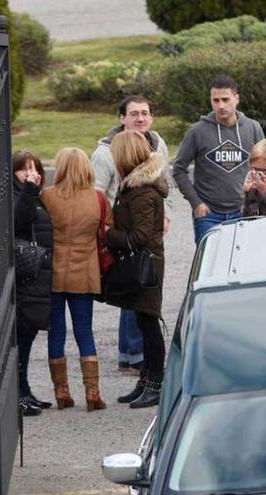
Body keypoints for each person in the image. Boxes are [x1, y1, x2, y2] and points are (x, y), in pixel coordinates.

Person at [91, 95, 172, 374]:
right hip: (124, 229)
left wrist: (107, 234)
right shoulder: (105, 153)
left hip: (133, 240)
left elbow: (141, 232)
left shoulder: (143, 184)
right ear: (121, 118)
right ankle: (133, 358)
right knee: (132, 300)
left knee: (142, 308)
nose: (140, 118)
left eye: (145, 113)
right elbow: (98, 194)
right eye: (134, 113)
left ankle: (149, 375)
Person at [40, 148, 110, 411]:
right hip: (85, 270)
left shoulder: (47, 196)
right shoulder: (98, 198)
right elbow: (105, 230)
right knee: (84, 331)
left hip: (55, 271)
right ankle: (92, 392)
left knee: (56, 331)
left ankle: (62, 392)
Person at [105, 130, 168, 409]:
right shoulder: (132, 186)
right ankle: (146, 380)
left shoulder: (142, 191)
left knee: (149, 322)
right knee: (144, 323)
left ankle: (156, 383)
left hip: (147, 265)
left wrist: (108, 234)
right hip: (142, 263)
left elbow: (140, 236)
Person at [172, 74, 265, 244]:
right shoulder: (197, 131)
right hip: (208, 215)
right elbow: (178, 169)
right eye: (216, 100)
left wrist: (255, 201)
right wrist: (196, 203)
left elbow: (264, 166)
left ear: (236, 99)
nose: (221, 105)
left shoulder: (253, 128)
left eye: (225, 99)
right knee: (210, 266)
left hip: (243, 211)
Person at [12, 150, 53, 416]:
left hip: (37, 276)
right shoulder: (18, 195)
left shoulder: (34, 194)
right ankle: (17, 394)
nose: (30, 173)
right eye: (24, 168)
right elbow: (18, 221)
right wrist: (29, 189)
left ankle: (24, 391)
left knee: (27, 339)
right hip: (24, 277)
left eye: (34, 168)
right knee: (20, 339)